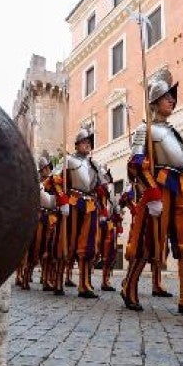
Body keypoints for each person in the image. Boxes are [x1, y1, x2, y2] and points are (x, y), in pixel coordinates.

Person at [121, 69, 183, 316]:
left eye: (173, 96)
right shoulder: (145, 129)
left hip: (181, 187)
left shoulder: (175, 133)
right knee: (147, 241)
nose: (172, 100)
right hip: (159, 186)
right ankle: (129, 286)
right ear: (154, 102)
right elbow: (136, 162)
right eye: (167, 97)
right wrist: (151, 193)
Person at [45, 127, 105, 298]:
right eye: (84, 142)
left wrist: (102, 207)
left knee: (88, 247)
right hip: (72, 202)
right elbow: (53, 181)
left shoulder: (94, 164)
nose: (87, 145)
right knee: (65, 243)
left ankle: (84, 285)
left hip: (90, 205)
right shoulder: (68, 160)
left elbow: (100, 187)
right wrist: (62, 200)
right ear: (77, 144)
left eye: (89, 142)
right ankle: (57, 281)